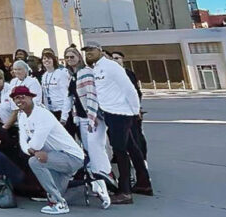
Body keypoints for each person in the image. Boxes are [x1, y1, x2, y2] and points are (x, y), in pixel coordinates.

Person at [84, 43, 152, 204]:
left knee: (120, 152)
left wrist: (135, 110)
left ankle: (125, 191)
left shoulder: (111, 67)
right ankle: (144, 184)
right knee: (132, 149)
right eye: (86, 51)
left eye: (91, 50)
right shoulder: (96, 68)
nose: (88, 54)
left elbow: (129, 89)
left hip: (120, 113)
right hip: (110, 112)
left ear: (100, 51)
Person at [11, 85, 85, 215]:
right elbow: (22, 142)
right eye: (16, 98)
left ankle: (60, 203)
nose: (19, 100)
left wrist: (32, 150)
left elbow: (37, 144)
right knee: (52, 191)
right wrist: (31, 150)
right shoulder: (22, 116)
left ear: (31, 97)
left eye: (22, 97)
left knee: (35, 162)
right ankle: (88, 186)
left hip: (72, 157)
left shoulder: (42, 114)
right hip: (53, 156)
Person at [63, 46, 113, 205]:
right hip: (81, 119)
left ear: (79, 57)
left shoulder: (86, 72)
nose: (70, 60)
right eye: (67, 57)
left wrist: (92, 117)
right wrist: (65, 118)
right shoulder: (72, 76)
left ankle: (105, 178)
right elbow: (71, 98)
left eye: (72, 57)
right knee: (89, 150)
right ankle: (98, 183)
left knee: (95, 148)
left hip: (93, 118)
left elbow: (92, 95)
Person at [40, 52, 71, 123]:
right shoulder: (44, 76)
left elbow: (67, 95)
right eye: (44, 58)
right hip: (52, 111)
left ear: (54, 60)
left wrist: (64, 116)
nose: (46, 60)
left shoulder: (61, 73)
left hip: (63, 110)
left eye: (49, 58)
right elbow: (45, 95)